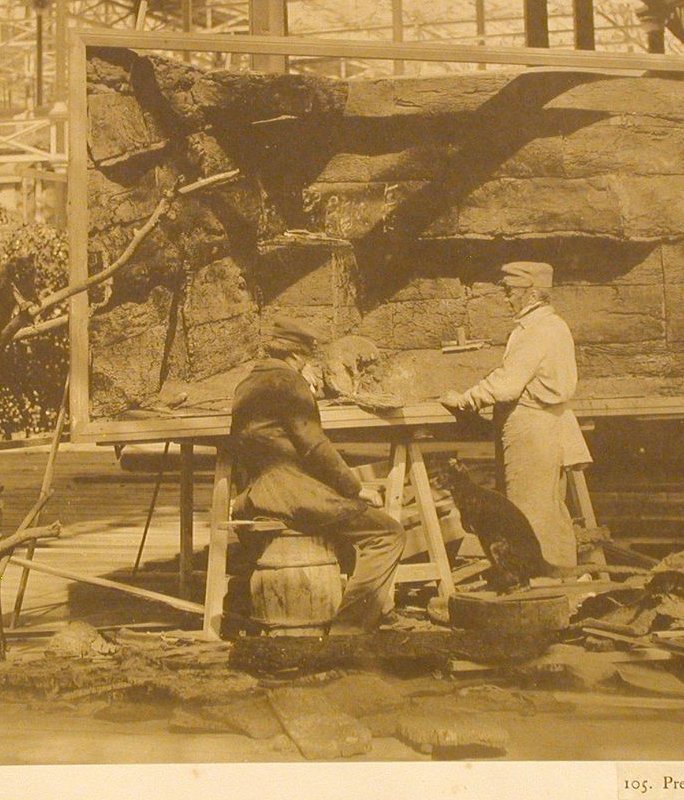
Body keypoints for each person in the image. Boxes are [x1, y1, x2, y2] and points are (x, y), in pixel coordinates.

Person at [230, 317, 405, 634]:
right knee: (388, 534)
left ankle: (379, 611)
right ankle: (348, 629)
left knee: (345, 524)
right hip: (289, 496)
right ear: (296, 355)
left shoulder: (245, 385)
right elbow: (315, 447)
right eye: (306, 357)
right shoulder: (290, 382)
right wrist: (354, 488)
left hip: (254, 494)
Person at [439, 261, 592, 570]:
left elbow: (507, 384)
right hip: (547, 425)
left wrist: (465, 400)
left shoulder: (536, 330)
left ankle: (538, 583)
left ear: (532, 294)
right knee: (549, 509)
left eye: (510, 291)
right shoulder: (553, 325)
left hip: (531, 426)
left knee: (526, 511)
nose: (506, 297)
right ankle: (562, 579)